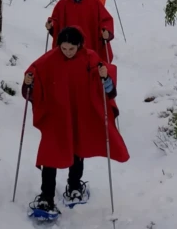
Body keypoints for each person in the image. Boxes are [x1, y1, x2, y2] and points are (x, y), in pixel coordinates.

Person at [23, 26, 128, 216]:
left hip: (80, 113)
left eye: (71, 49)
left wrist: (105, 77)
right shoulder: (50, 59)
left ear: (79, 45)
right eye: (64, 49)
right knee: (50, 155)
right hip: (56, 115)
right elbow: (34, 72)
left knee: (77, 149)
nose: (68, 52)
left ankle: (74, 186)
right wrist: (29, 82)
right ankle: (46, 197)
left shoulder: (90, 58)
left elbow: (107, 83)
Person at [46, 0, 114, 61]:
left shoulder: (94, 2)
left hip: (90, 44)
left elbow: (106, 19)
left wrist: (106, 31)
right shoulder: (63, 3)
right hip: (69, 48)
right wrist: (51, 24)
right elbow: (56, 20)